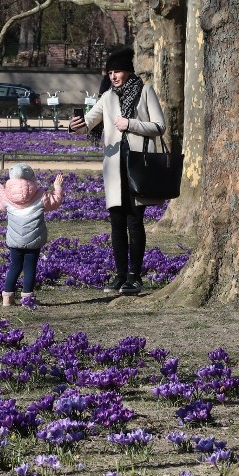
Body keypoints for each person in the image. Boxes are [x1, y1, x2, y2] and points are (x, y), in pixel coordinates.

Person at [68, 48, 165, 295]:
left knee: (134, 222)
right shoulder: (107, 97)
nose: (113, 76)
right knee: (116, 223)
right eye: (110, 72)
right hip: (114, 169)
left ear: (128, 71)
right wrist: (75, 126)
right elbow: (89, 123)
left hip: (137, 167)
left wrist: (130, 124)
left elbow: (159, 126)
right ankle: (120, 274)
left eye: (117, 71)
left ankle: (135, 277)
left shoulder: (145, 91)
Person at [0, 164, 65, 306]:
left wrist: (2, 190)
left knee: (14, 266)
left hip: (14, 239)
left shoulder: (6, 195)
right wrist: (57, 187)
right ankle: (27, 298)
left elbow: (1, 207)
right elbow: (55, 202)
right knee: (29, 268)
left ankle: (7, 297)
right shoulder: (40, 194)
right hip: (33, 239)